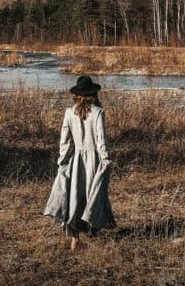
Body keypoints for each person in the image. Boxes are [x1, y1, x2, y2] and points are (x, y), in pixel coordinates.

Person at [44, 75, 116, 251]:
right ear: (93, 94)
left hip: (77, 161)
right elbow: (101, 140)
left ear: (77, 95)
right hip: (93, 161)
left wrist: (63, 160)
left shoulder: (69, 113)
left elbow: (65, 141)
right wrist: (105, 159)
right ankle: (92, 228)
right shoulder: (98, 113)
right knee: (94, 195)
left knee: (75, 198)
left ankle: (75, 238)